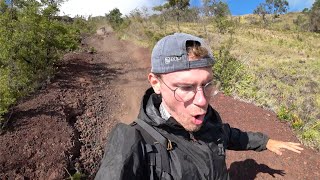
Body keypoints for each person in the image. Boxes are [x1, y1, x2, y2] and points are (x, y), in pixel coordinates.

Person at [95, 33, 303, 180]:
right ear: (156, 83)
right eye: (186, 87)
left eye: (207, 84)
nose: (202, 101)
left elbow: (228, 135)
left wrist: (265, 141)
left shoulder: (210, 122)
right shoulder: (133, 142)